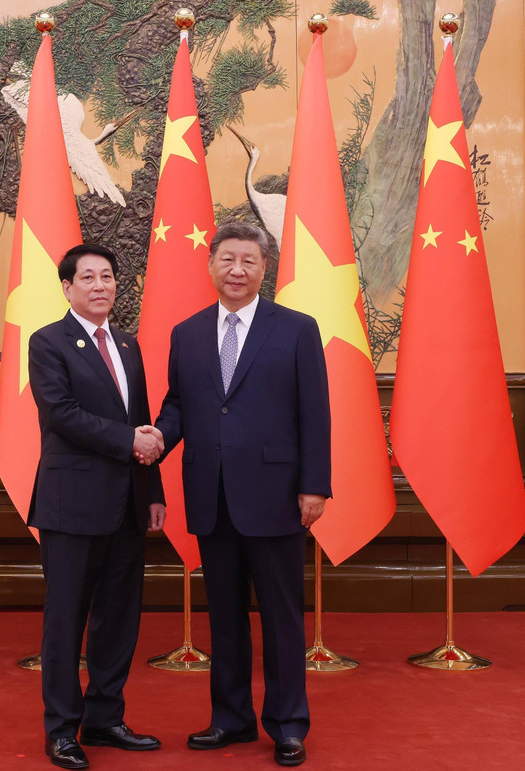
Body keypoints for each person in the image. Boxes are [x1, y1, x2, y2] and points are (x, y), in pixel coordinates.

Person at [152, 221, 331, 767]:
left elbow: (315, 413)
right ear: (210, 265)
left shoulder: (297, 329)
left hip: (277, 495)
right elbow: (180, 404)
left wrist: (314, 486)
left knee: (281, 617)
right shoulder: (186, 333)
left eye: (248, 261)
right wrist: (158, 437)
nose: (237, 270)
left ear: (264, 268)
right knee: (224, 617)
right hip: (212, 495)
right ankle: (229, 719)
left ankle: (287, 725)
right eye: (227, 260)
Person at [27, 243, 166, 770]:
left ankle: (106, 718)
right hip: (72, 506)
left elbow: (145, 420)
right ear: (67, 288)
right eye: (88, 277)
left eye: (108, 276)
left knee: (118, 618)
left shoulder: (128, 345)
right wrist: (131, 440)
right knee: (66, 621)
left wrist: (152, 492)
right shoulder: (48, 342)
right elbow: (61, 414)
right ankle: (62, 730)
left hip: (128, 505)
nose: (100, 285)